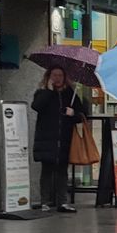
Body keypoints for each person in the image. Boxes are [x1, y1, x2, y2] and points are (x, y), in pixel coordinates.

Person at [30, 67, 88, 213]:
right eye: (54, 75)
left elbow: (82, 114)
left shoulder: (70, 93)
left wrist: (73, 113)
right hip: (47, 138)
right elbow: (36, 106)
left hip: (64, 138)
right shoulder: (42, 92)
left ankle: (62, 202)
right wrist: (48, 91)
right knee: (47, 171)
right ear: (49, 77)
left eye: (60, 75)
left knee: (63, 171)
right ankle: (45, 201)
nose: (58, 78)